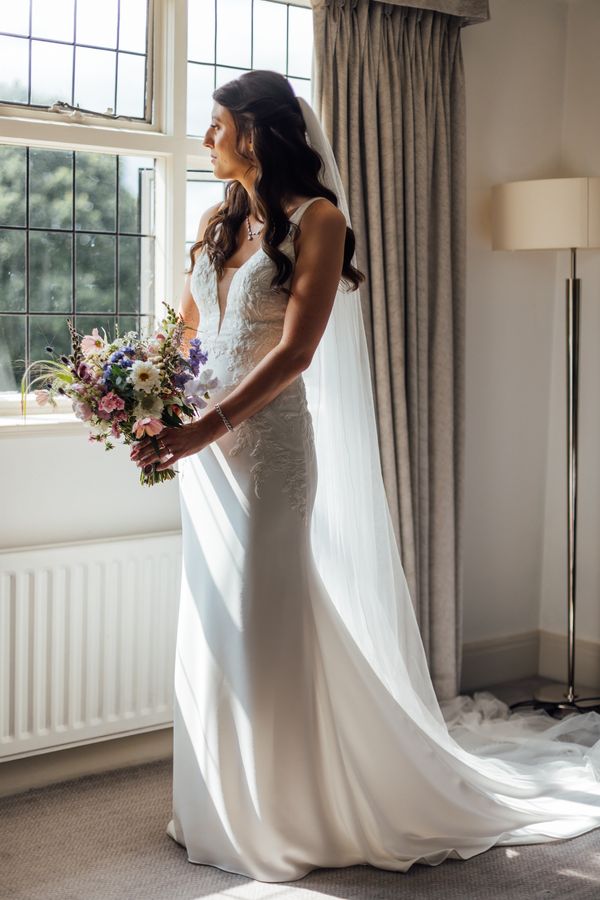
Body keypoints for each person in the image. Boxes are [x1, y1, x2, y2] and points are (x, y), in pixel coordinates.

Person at [131, 71, 600, 883]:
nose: (206, 138)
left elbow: (296, 352)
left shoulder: (321, 220)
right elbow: (184, 335)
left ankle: (286, 810)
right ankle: (223, 797)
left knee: (264, 618)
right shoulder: (218, 222)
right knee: (217, 618)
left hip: (268, 452)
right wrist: (143, 406)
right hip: (204, 458)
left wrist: (205, 425)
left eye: (216, 124)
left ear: (256, 131)